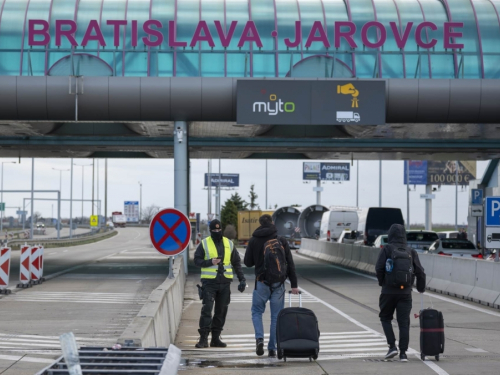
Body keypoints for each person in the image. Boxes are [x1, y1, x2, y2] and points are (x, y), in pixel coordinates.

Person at [244, 214, 299, 358]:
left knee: (256, 312)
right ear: (272, 223)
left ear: (260, 224)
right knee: (276, 316)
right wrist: (294, 285)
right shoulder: (280, 240)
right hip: (278, 283)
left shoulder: (254, 240)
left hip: (261, 282)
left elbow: (248, 262)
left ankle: (259, 339)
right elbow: (290, 263)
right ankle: (272, 348)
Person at [375, 223, 426, 362]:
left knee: (385, 318)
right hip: (405, 293)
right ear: (404, 235)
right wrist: (421, 288)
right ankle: (403, 353)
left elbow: (379, 268)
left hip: (388, 292)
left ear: (390, 235)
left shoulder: (387, 249)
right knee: (403, 322)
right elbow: (420, 272)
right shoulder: (411, 251)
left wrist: (382, 283)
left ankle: (392, 347)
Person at [193, 220, 246, 348]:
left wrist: (242, 279)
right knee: (207, 310)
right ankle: (203, 339)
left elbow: (236, 263)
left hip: (225, 283)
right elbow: (197, 260)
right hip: (209, 283)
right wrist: (210, 262)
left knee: (221, 311)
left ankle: (215, 339)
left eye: (219, 230)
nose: (217, 232)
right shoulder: (205, 243)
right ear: (210, 231)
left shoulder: (229, 243)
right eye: (214, 231)